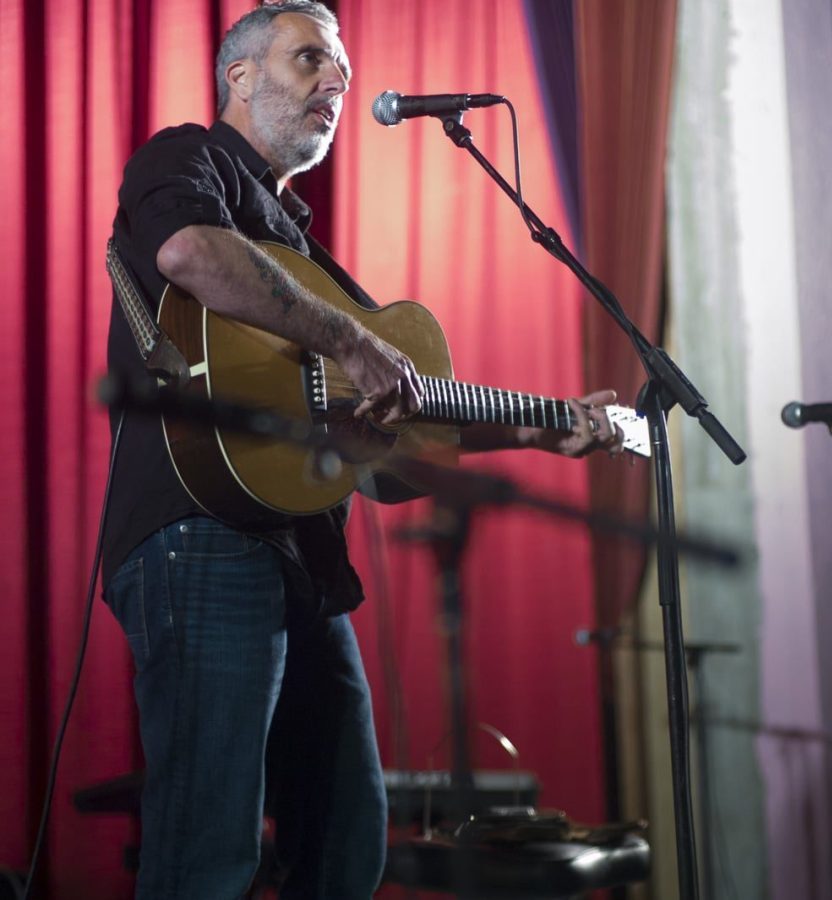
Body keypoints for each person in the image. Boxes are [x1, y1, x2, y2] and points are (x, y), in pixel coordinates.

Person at [103, 2, 624, 898]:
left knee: (347, 842)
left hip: (299, 554)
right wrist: (348, 339)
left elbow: (399, 438)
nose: (338, 83)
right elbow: (190, 250)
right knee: (206, 851)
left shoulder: (301, 248)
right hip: (202, 537)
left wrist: (542, 426)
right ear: (239, 75)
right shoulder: (184, 157)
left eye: (340, 69)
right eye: (311, 61)